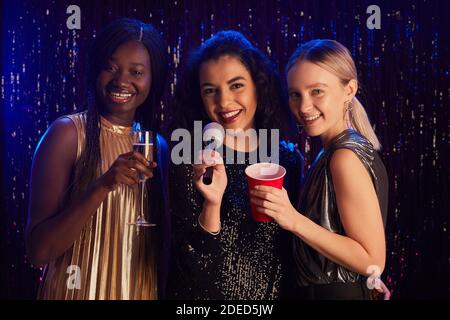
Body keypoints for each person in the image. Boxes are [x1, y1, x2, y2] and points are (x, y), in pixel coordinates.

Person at [25, 18, 170, 300]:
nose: (121, 80)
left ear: (153, 79)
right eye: (110, 67)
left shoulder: (157, 147)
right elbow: (38, 252)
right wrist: (102, 184)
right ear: (96, 70)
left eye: (136, 72)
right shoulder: (67, 133)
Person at [167, 30, 303, 300]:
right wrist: (213, 203)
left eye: (236, 85)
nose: (224, 102)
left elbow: (296, 253)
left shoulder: (288, 160)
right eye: (210, 91)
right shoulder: (189, 159)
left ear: (257, 85)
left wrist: (353, 275)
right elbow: (190, 268)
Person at [250, 39, 389, 299]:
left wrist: (292, 219)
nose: (303, 107)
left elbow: (373, 261)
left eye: (317, 91)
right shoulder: (332, 151)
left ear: (349, 90)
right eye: (295, 94)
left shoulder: (344, 157)